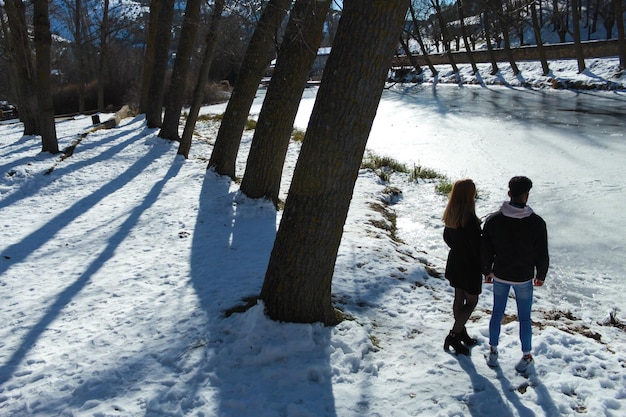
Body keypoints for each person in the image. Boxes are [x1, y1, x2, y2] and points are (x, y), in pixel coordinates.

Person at [481, 176, 549, 372]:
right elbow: (541, 252)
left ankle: (493, 353)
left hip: (501, 274)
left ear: (509, 193)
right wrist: (541, 275)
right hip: (524, 277)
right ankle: (526, 356)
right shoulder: (537, 222)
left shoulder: (493, 220)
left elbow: (485, 249)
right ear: (526, 196)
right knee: (525, 318)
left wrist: (487, 270)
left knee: (497, 313)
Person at [442, 179, 482, 355]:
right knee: (472, 301)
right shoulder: (470, 220)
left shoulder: (451, 214)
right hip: (469, 266)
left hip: (455, 262)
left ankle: (461, 332)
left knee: (459, 298)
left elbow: (447, 239)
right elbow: (476, 247)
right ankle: (454, 334)